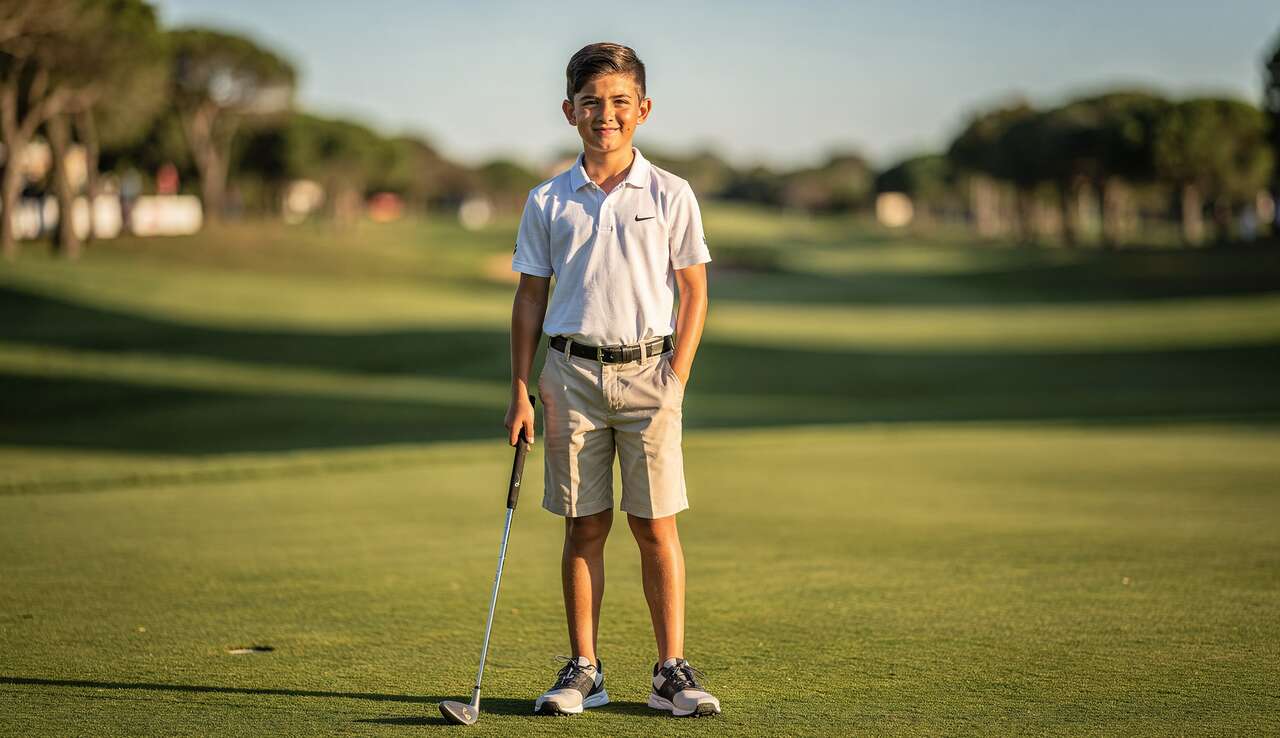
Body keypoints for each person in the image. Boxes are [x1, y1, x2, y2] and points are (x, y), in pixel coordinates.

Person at [504, 41, 720, 718]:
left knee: (655, 525)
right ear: (570, 111)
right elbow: (530, 298)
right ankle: (585, 672)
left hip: (650, 373)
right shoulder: (548, 199)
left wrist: (676, 376)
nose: (607, 114)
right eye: (592, 102)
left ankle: (669, 672)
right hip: (569, 377)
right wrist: (520, 385)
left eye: (620, 101)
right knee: (584, 525)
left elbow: (694, 292)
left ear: (643, 109)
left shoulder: (670, 193)